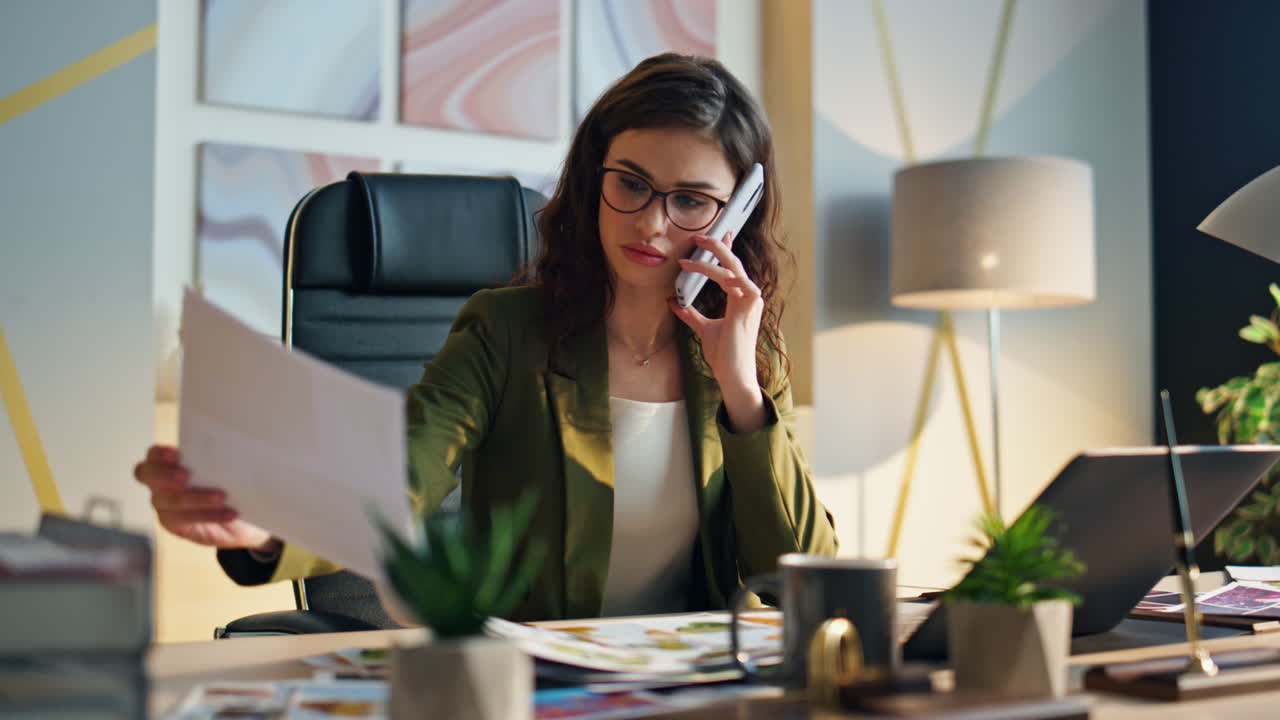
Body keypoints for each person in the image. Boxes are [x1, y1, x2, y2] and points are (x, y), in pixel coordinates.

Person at [135, 53, 838, 622]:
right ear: (594, 179)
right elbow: (399, 477)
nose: (652, 224)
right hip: (530, 688)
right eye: (631, 183)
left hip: (693, 690)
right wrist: (265, 525)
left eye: (690, 200)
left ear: (733, 216)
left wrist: (744, 392)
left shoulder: (747, 355)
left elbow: (806, 575)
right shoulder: (507, 330)